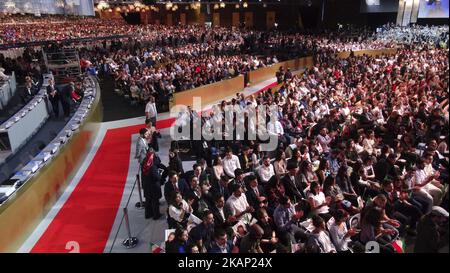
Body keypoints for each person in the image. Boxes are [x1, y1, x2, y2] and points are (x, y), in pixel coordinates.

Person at [141, 149, 163, 220]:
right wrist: (160, 174)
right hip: (153, 187)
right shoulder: (152, 166)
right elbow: (156, 177)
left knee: (148, 200)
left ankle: (148, 214)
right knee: (155, 201)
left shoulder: (144, 162)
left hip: (146, 186)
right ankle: (156, 215)